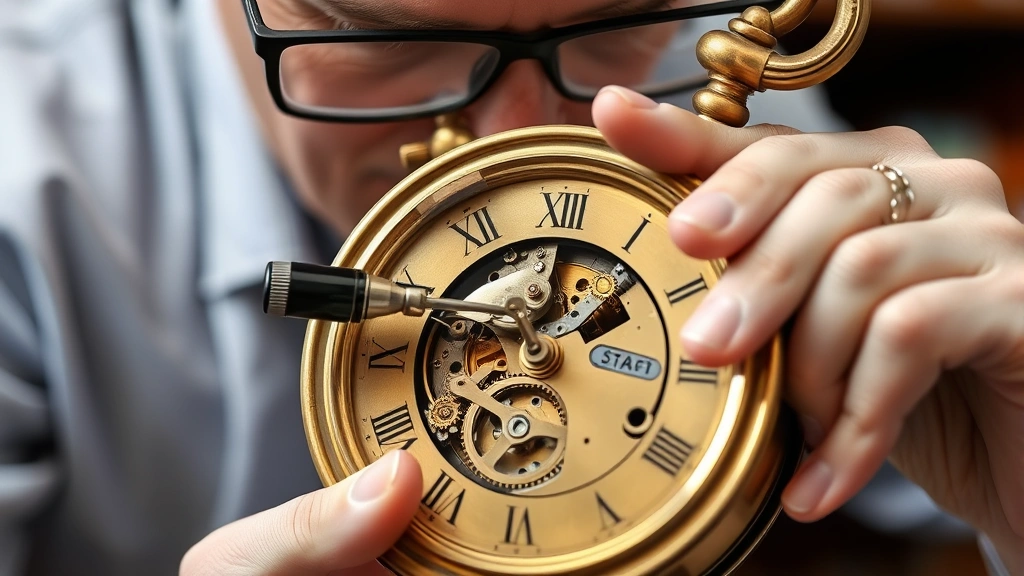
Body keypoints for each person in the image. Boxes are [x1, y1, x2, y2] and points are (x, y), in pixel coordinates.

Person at [0, 0, 1020, 575]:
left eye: (611, 23)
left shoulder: (692, 52)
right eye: (387, 41)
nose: (520, 138)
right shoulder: (20, 174)